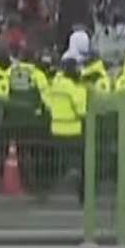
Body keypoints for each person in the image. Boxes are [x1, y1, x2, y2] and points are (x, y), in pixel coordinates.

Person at [42, 57, 87, 200]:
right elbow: (81, 111)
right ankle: (79, 185)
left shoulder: (54, 85)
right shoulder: (75, 89)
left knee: (62, 158)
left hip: (56, 128)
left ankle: (65, 175)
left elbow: (47, 102)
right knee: (81, 160)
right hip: (73, 129)